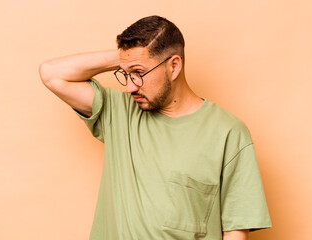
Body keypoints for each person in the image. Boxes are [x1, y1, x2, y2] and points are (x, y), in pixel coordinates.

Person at [39, 15, 271, 240]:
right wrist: (127, 58)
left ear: (174, 66)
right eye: (125, 74)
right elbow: (52, 74)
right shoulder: (119, 112)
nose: (130, 87)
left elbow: (235, 230)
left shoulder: (228, 132)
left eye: (138, 73)